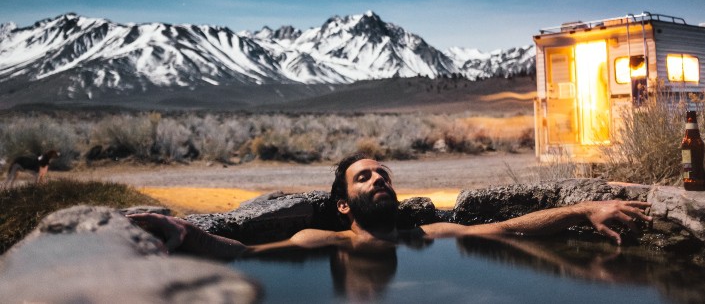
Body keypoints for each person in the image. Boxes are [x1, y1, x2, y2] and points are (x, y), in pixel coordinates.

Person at [128, 152, 652, 260]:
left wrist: (585, 210)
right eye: (364, 176)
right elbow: (243, 254)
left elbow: (513, 227)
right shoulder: (319, 242)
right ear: (341, 206)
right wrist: (185, 232)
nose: (379, 178)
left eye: (384, 174)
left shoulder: (429, 236)